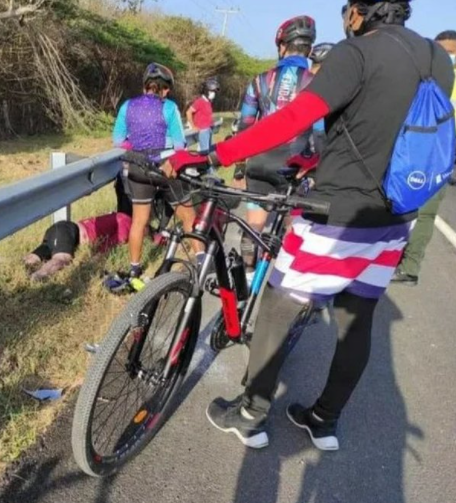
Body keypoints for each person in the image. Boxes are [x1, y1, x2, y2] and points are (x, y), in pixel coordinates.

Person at [164, 0, 454, 450]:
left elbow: (292, 119)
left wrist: (211, 156)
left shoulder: (356, 52)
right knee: (356, 323)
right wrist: (317, 159)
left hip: (336, 216)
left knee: (280, 308)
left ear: (360, 12)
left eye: (347, 10)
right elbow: (387, 130)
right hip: (396, 220)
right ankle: (324, 420)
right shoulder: (437, 59)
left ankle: (250, 413)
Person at [235, 16, 319, 271]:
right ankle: (282, 285)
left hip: (260, 161)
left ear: (282, 46)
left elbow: (245, 126)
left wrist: (239, 168)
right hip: (296, 165)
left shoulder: (260, 80)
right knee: (293, 233)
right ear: (310, 49)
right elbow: (321, 133)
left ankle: (246, 283)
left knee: (253, 228)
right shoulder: (317, 84)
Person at [110, 63, 202, 292]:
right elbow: (180, 144)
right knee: (188, 216)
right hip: (166, 168)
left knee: (139, 221)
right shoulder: (169, 107)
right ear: (166, 89)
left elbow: (119, 140)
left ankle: (134, 270)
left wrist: (139, 148)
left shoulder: (127, 106)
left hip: (138, 170)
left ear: (145, 86)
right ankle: (201, 262)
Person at [392, 29, 456, 285]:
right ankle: (409, 265)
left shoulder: (427, 74)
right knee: (424, 213)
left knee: (404, 207)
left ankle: (403, 264)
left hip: (421, 153)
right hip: (442, 156)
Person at [187, 77, 220, 154]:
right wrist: (193, 126)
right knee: (205, 153)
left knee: (211, 152)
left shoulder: (208, 102)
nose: (213, 93)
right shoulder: (200, 101)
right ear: (206, 91)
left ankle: (210, 166)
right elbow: (188, 112)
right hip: (203, 131)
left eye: (214, 92)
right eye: (212, 91)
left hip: (209, 129)